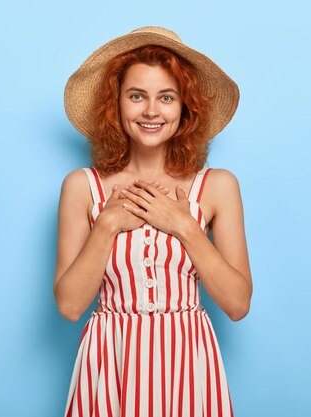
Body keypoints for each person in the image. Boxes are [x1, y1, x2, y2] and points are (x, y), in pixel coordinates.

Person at [53, 27, 252, 417]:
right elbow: (70, 305)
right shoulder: (82, 186)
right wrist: (107, 225)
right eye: (136, 96)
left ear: (185, 107)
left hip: (189, 364)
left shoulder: (217, 186)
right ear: (116, 104)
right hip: (109, 363)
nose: (150, 111)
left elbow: (238, 303)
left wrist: (184, 226)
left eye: (166, 97)